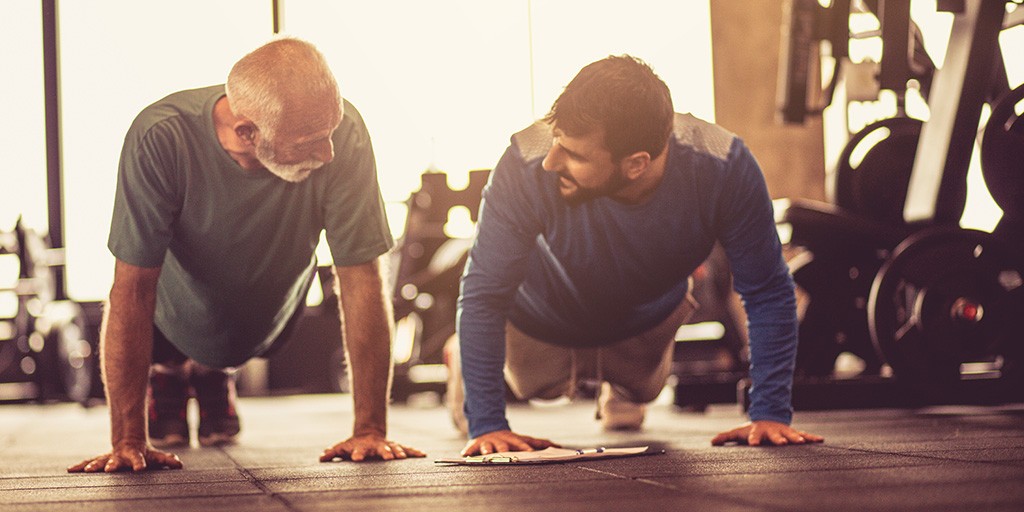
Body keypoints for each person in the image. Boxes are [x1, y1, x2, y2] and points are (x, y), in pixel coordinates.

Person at [69, 38, 424, 473]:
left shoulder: (343, 132)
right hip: (174, 311)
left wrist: (370, 429)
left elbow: (362, 277)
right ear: (247, 133)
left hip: (268, 310)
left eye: (330, 132)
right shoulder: (161, 137)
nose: (328, 153)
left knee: (224, 349)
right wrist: (127, 440)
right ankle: (174, 369)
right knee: (169, 346)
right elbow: (132, 287)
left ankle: (209, 369)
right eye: (311, 141)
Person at [452, 55, 824, 456]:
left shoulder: (722, 166)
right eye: (557, 139)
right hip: (540, 319)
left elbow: (767, 290)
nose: (551, 160)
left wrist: (769, 413)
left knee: (639, 396)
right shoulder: (526, 161)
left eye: (574, 155)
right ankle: (461, 359)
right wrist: (487, 422)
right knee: (527, 391)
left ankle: (620, 386)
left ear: (636, 165)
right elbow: (484, 293)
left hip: (644, 319)